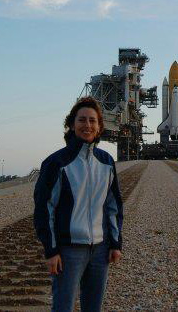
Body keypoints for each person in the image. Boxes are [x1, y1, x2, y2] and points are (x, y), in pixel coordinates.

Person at [34, 96, 123, 312]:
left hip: (100, 251)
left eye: (92, 121)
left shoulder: (106, 161)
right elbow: (44, 210)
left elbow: (113, 206)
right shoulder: (57, 163)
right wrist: (51, 250)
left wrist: (115, 243)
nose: (87, 125)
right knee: (63, 307)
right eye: (82, 120)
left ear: (99, 126)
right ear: (72, 124)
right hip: (68, 251)